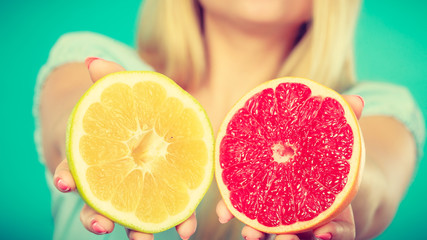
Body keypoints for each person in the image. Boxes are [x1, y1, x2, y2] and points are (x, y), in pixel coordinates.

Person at [33, 0, 425, 239]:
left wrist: (340, 189)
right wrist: (99, 137)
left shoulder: (374, 105)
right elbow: (68, 120)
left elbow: (375, 183)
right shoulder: (98, 61)